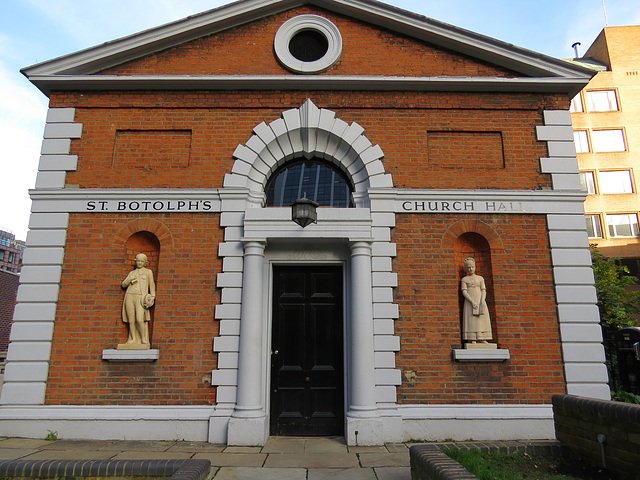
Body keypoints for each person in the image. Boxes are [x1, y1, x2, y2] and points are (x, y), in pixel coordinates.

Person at [121, 253, 155, 346]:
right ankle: (132, 338)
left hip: (140, 297)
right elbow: (123, 284)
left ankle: (143, 338)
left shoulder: (148, 272)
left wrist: (152, 297)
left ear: (145, 262)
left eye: (141, 261)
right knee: (131, 319)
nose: (139, 263)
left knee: (139, 319)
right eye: (138, 261)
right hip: (130, 295)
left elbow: (151, 286)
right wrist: (129, 279)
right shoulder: (132, 273)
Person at [460, 257, 492, 344]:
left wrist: (482, 300)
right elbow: (464, 291)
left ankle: (482, 337)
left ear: (475, 267)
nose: (470, 269)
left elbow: (483, 290)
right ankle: (472, 337)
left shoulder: (480, 278)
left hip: (480, 299)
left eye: (472, 267)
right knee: (471, 319)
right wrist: (472, 301)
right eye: (468, 268)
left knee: (481, 318)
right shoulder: (464, 279)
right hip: (470, 301)